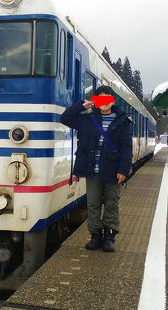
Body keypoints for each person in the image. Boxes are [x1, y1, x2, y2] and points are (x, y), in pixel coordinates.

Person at [59, 86, 133, 252]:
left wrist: (123, 170)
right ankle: (95, 236)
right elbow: (65, 118)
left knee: (111, 204)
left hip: (113, 171)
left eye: (107, 98)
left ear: (112, 100)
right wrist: (82, 105)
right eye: (100, 99)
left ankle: (109, 237)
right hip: (93, 170)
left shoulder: (122, 121)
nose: (104, 102)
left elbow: (127, 148)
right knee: (93, 204)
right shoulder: (88, 118)